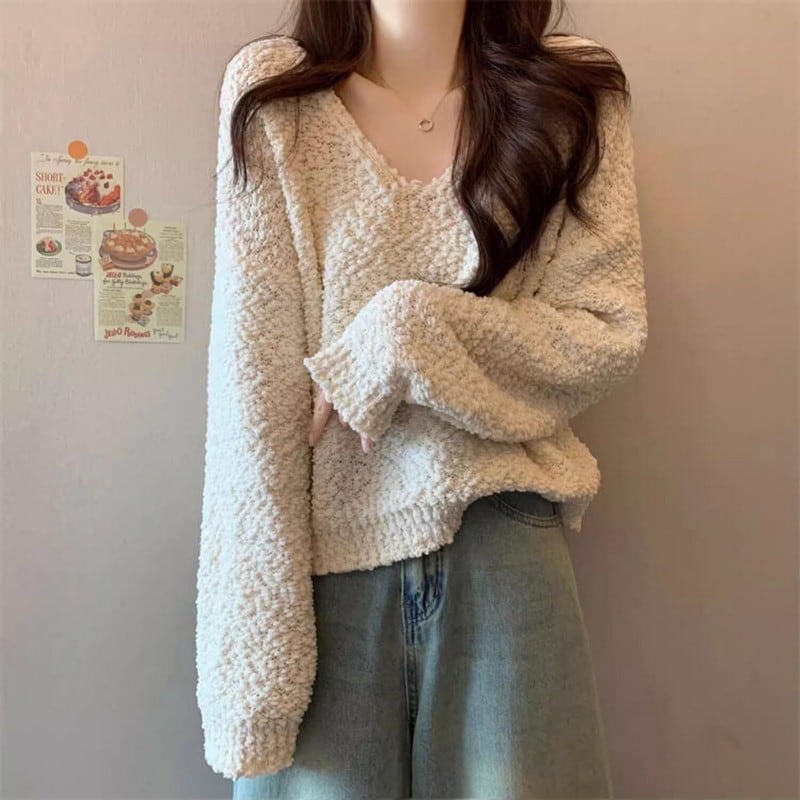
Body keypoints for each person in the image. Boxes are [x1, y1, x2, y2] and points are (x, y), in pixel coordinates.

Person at [196, 1, 648, 797]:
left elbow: (606, 334)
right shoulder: (275, 99)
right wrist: (250, 681)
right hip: (320, 575)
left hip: (504, 546)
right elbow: (251, 399)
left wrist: (409, 331)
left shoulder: (572, 95)